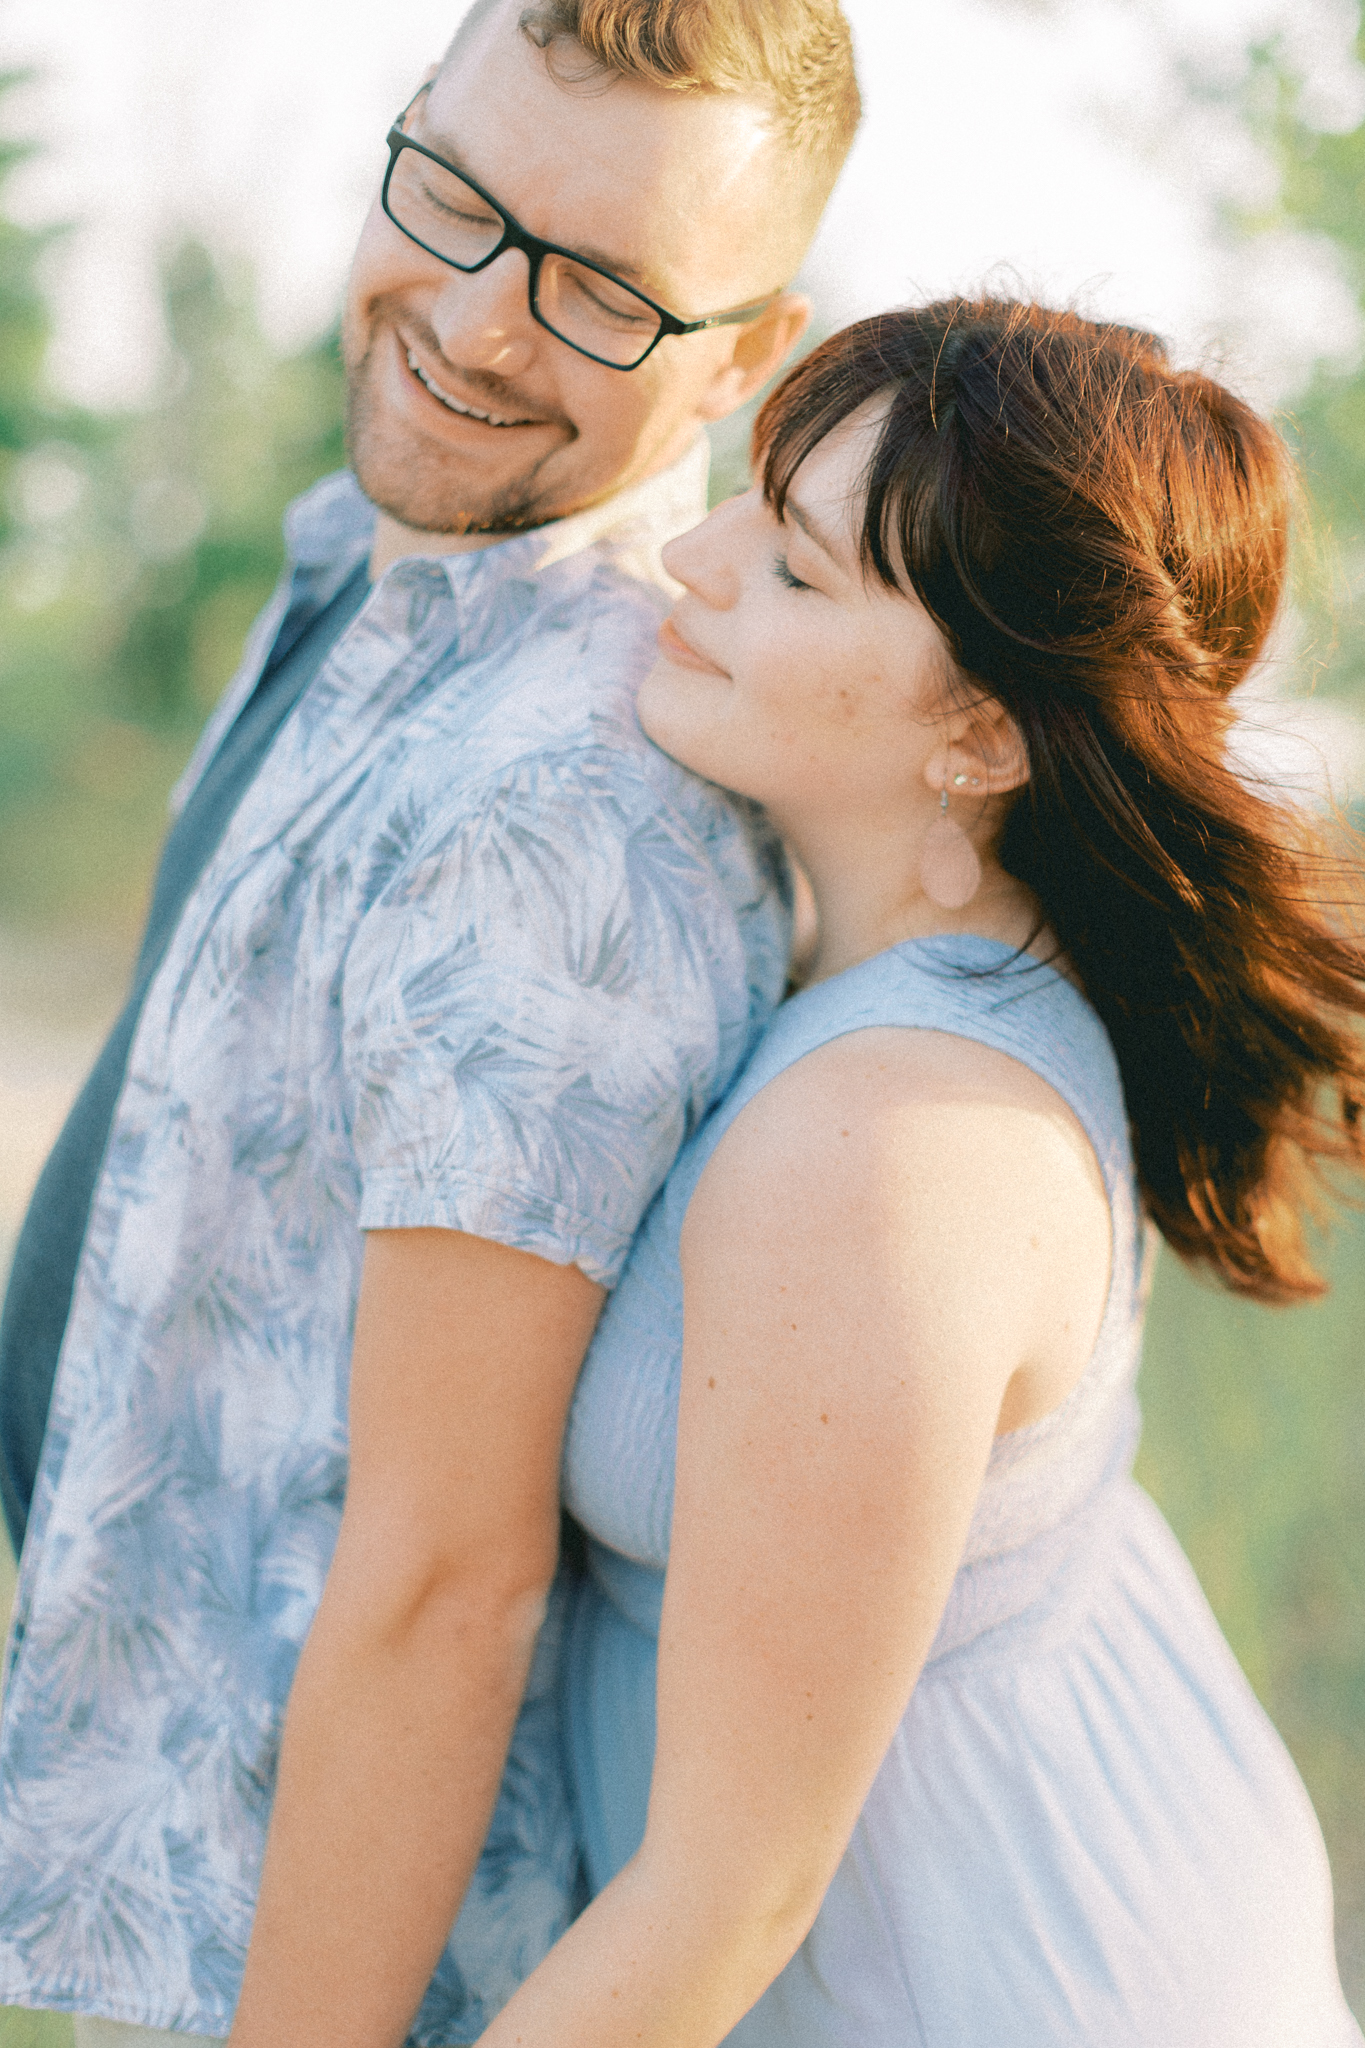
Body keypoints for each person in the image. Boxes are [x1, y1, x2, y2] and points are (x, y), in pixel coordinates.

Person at [0, 4, 861, 2045]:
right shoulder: (379, 568)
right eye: (457, 197)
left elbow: (445, 1583)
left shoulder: (564, 799)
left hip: (261, 1952)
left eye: (605, 292)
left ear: (745, 352)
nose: (479, 323)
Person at [473, 299, 1365, 2047]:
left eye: (797, 572)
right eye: (747, 500)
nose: (693, 557)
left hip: (1002, 1985)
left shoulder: (886, 1147)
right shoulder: (912, 977)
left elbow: (731, 1893)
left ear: (983, 734)